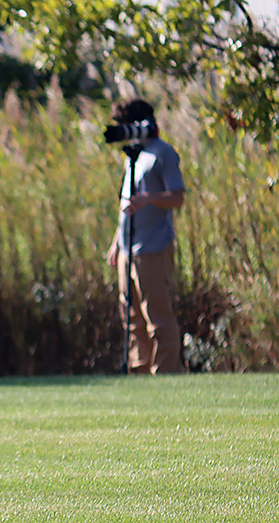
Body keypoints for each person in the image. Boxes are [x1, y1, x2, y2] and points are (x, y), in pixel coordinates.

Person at [105, 98, 188, 374]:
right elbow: (127, 203)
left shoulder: (162, 153)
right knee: (131, 318)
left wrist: (149, 199)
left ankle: (166, 375)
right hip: (129, 251)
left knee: (158, 318)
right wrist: (117, 243)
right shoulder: (135, 156)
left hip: (153, 248)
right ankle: (140, 373)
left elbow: (177, 198)